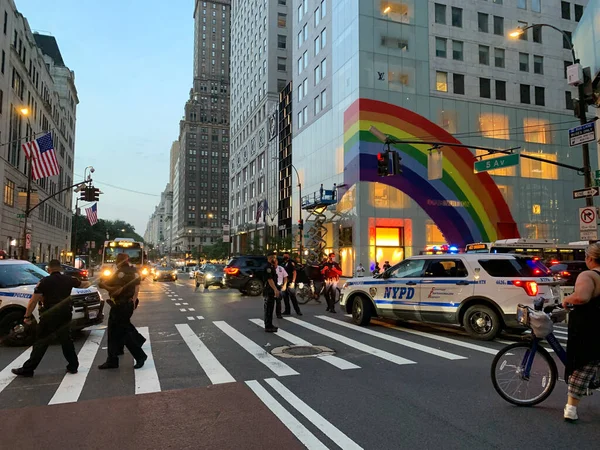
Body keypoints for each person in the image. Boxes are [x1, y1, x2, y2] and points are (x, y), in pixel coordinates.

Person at [12, 259, 91, 377]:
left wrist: (27, 316)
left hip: (49, 314)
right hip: (65, 313)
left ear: (49, 269)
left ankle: (28, 369)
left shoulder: (44, 282)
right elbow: (85, 284)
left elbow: (33, 300)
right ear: (60, 268)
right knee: (66, 340)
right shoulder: (69, 280)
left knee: (41, 342)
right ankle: (73, 366)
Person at [561, 242, 600, 422]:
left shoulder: (589, 275)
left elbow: (582, 297)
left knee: (582, 365)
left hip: (589, 327)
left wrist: (568, 298)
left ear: (590, 258)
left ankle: (571, 408)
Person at [98, 253, 147, 370]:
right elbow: (136, 286)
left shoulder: (119, 273)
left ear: (118, 261)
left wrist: (103, 285)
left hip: (120, 305)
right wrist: (134, 300)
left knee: (120, 332)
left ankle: (140, 355)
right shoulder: (134, 271)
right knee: (116, 331)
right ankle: (113, 359)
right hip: (128, 304)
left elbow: (117, 290)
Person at [263, 252, 281, 332]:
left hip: (270, 290)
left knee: (270, 308)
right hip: (269, 290)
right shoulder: (268, 267)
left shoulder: (271, 266)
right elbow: (270, 280)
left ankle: (270, 324)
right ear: (270, 258)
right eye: (274, 258)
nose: (275, 259)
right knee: (268, 309)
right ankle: (268, 326)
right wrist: (275, 289)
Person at [282, 252, 302, 316]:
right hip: (285, 282)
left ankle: (298, 311)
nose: (285, 257)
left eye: (286, 256)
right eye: (284, 256)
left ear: (288, 256)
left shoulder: (290, 263)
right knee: (285, 297)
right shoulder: (284, 263)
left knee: (293, 297)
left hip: (290, 282)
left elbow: (294, 272)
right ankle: (287, 310)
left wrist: (293, 282)